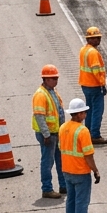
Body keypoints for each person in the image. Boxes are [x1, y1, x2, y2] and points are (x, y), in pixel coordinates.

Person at [59, 98, 100, 213]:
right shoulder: (83, 131)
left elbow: (61, 148)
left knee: (71, 201)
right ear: (79, 114)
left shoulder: (63, 127)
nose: (86, 115)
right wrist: (95, 170)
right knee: (81, 202)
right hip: (80, 172)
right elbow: (88, 155)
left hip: (66, 171)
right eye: (84, 112)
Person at [32, 64, 65, 199]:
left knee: (60, 159)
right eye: (52, 78)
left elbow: (59, 112)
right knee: (47, 162)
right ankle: (47, 188)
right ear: (45, 79)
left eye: (56, 78)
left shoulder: (53, 91)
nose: (55, 80)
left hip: (56, 133)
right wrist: (46, 134)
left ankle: (63, 186)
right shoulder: (40, 94)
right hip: (48, 134)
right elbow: (39, 117)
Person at [79, 26, 107, 145]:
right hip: (94, 85)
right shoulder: (93, 53)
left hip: (85, 84)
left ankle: (88, 132)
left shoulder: (83, 50)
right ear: (89, 39)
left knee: (89, 110)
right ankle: (95, 135)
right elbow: (96, 71)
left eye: (98, 37)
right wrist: (102, 84)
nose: (98, 40)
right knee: (97, 110)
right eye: (95, 38)